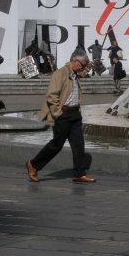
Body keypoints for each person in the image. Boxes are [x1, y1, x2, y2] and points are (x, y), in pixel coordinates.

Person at [26, 52, 95, 184]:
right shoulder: (60, 73)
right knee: (57, 145)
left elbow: (83, 74)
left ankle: (79, 174)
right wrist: (57, 113)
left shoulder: (75, 73)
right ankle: (33, 164)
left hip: (75, 113)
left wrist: (90, 66)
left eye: (85, 65)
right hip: (63, 114)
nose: (83, 67)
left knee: (79, 144)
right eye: (82, 64)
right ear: (75, 61)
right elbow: (51, 95)